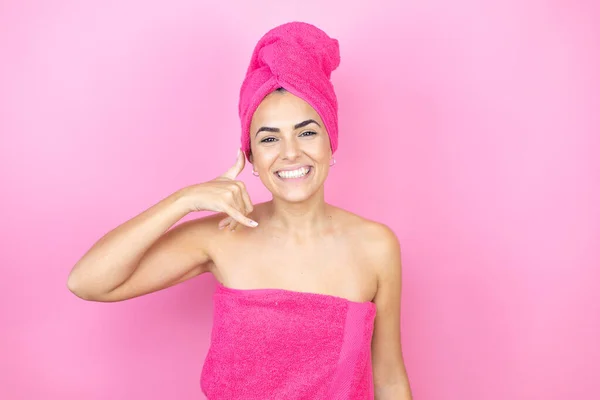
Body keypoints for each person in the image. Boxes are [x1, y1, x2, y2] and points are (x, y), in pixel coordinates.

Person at [67, 21, 412, 399]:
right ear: (251, 155)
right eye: (269, 138)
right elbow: (88, 282)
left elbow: (388, 379)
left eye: (307, 131)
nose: (291, 152)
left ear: (331, 141)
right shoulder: (221, 237)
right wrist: (183, 200)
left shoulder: (376, 245)